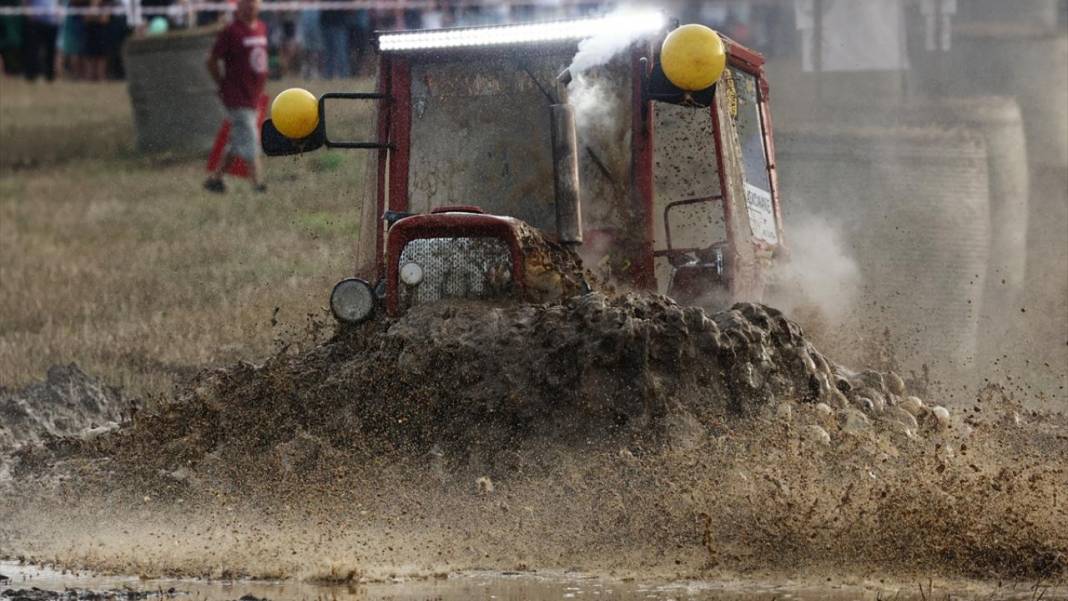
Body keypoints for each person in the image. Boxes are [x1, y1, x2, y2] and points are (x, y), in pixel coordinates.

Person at [203, 0, 268, 193]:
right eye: (247, 3)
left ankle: (216, 179)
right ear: (239, 7)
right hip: (236, 95)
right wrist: (220, 82)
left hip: (253, 94)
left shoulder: (262, 28)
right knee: (250, 137)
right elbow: (211, 59)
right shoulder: (231, 31)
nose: (252, 7)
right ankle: (258, 183)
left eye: (255, 3)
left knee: (238, 139)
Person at [22, 0, 59, 81]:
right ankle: (31, 75)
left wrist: (57, 15)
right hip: (36, 21)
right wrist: (29, 14)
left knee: (50, 50)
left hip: (51, 22)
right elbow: (26, 2)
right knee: (33, 50)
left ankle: (49, 75)